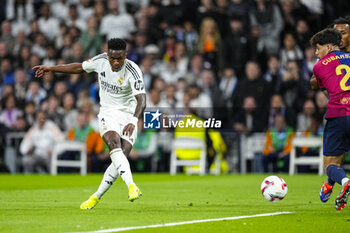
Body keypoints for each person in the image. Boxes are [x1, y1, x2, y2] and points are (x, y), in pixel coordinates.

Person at [33, 38, 146, 209]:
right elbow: (79, 67)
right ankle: (131, 185)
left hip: (128, 115)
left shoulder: (133, 70)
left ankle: (96, 196)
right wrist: (51, 68)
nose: (116, 62)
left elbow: (142, 101)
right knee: (113, 144)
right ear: (108, 55)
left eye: (120, 58)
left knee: (120, 158)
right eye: (112, 58)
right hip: (107, 112)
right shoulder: (100, 61)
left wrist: (133, 120)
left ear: (125, 55)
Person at [310, 28, 350, 210]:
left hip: (339, 114)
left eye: (317, 49)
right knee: (339, 155)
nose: (316, 53)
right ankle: (329, 185)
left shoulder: (319, 66)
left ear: (327, 46)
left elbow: (321, 87)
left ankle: (344, 181)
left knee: (330, 163)